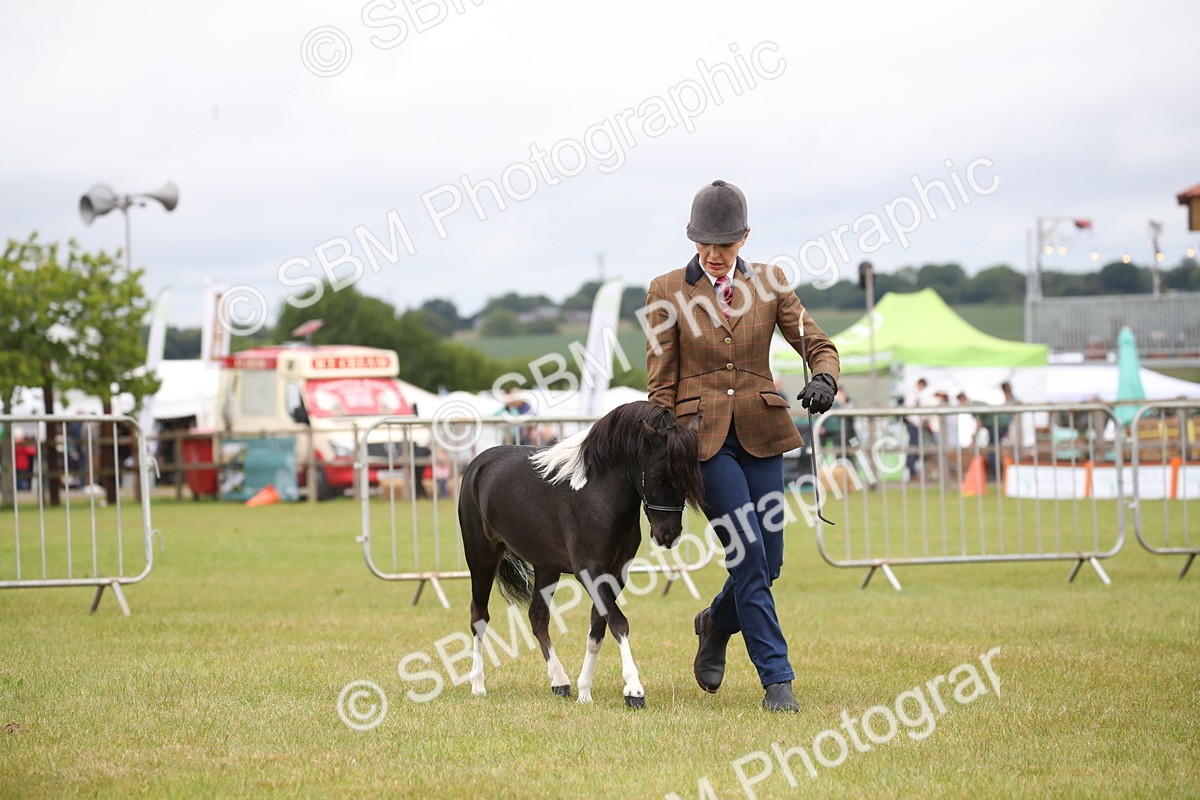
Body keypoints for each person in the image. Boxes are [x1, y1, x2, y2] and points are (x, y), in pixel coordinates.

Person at [644, 179, 840, 713]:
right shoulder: (666, 291)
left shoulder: (772, 284)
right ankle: (777, 679)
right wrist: (662, 449)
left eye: (724, 245)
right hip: (701, 441)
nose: (712, 255)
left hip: (763, 432)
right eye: (703, 243)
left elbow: (817, 343)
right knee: (747, 550)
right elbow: (660, 381)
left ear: (745, 238)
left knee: (770, 559)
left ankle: (714, 623)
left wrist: (824, 376)